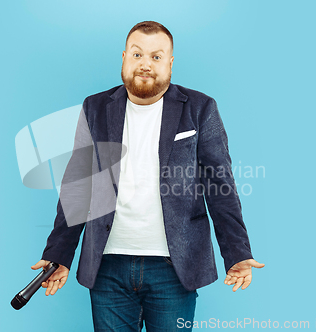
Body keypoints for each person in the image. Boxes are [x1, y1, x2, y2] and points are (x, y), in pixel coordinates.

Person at [31, 21, 264, 331]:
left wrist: (236, 252)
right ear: (125, 57)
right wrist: (58, 254)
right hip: (107, 266)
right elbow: (78, 187)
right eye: (138, 54)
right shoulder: (96, 108)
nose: (145, 64)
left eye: (156, 57)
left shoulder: (199, 108)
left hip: (174, 267)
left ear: (169, 63)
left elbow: (220, 186)